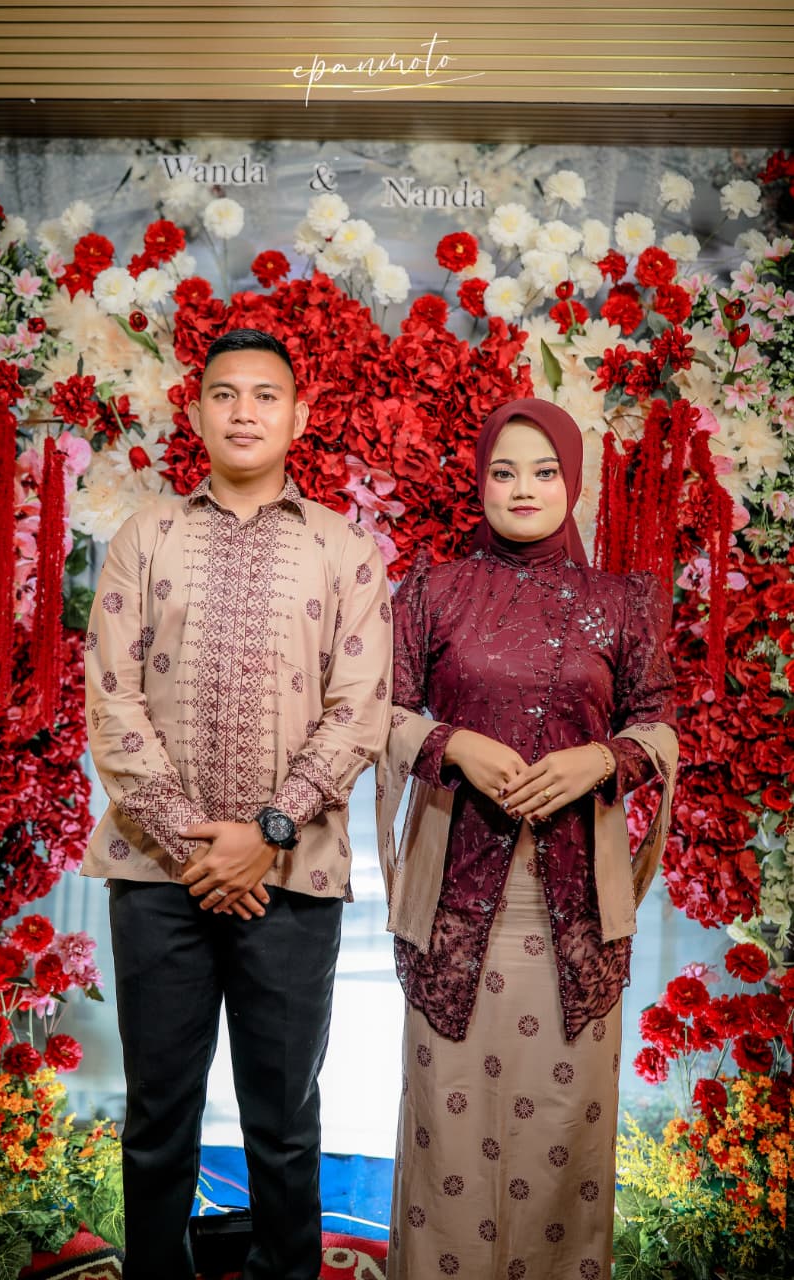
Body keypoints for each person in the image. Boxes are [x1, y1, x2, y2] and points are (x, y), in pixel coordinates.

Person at [82, 328, 392, 1280]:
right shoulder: (146, 537)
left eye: (265, 395)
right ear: (197, 411)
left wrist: (265, 834)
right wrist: (197, 850)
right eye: (225, 395)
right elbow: (111, 699)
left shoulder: (345, 550)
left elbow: (359, 712)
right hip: (156, 876)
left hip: (291, 877)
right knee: (157, 1116)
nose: (244, 412)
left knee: (285, 1120)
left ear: (299, 415)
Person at [377, 398, 678, 1280]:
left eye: (544, 472)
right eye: (502, 471)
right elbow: (377, 714)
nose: (522, 488)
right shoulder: (433, 590)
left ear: (572, 482)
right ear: (480, 482)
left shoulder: (622, 602)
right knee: (446, 1131)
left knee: (562, 1135)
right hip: (454, 904)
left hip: (576, 912)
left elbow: (660, 724)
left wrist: (602, 759)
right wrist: (451, 745)